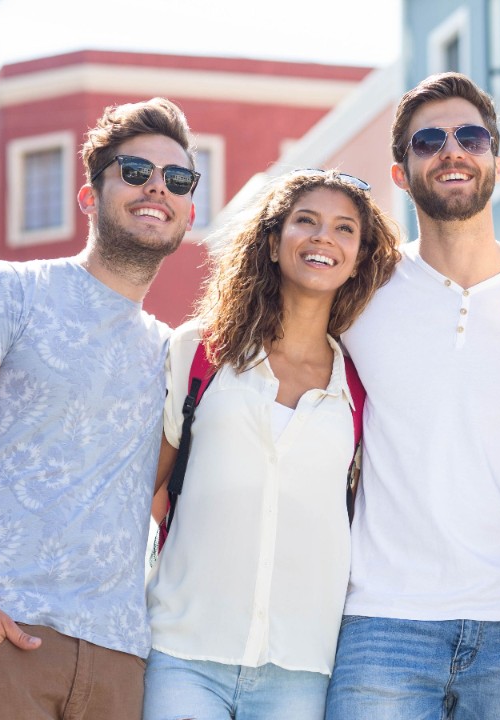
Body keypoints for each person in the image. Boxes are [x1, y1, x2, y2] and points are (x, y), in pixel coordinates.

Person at [0, 97, 199, 720]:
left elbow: (161, 492)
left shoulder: (172, 353)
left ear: (189, 211)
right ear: (89, 196)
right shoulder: (9, 293)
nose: (157, 189)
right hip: (1, 637)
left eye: (177, 179)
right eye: (135, 172)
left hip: (119, 659)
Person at [325, 72, 500, 719]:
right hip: (383, 619)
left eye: (470, 137)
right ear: (400, 174)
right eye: (429, 141)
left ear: (497, 162)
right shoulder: (359, 292)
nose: (452, 151)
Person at [142, 169, 400, 719]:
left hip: (300, 668)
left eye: (344, 228)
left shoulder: (361, 387)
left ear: (360, 257)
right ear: (271, 240)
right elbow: (146, 491)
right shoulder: (200, 353)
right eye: (306, 221)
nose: (323, 237)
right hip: (183, 652)